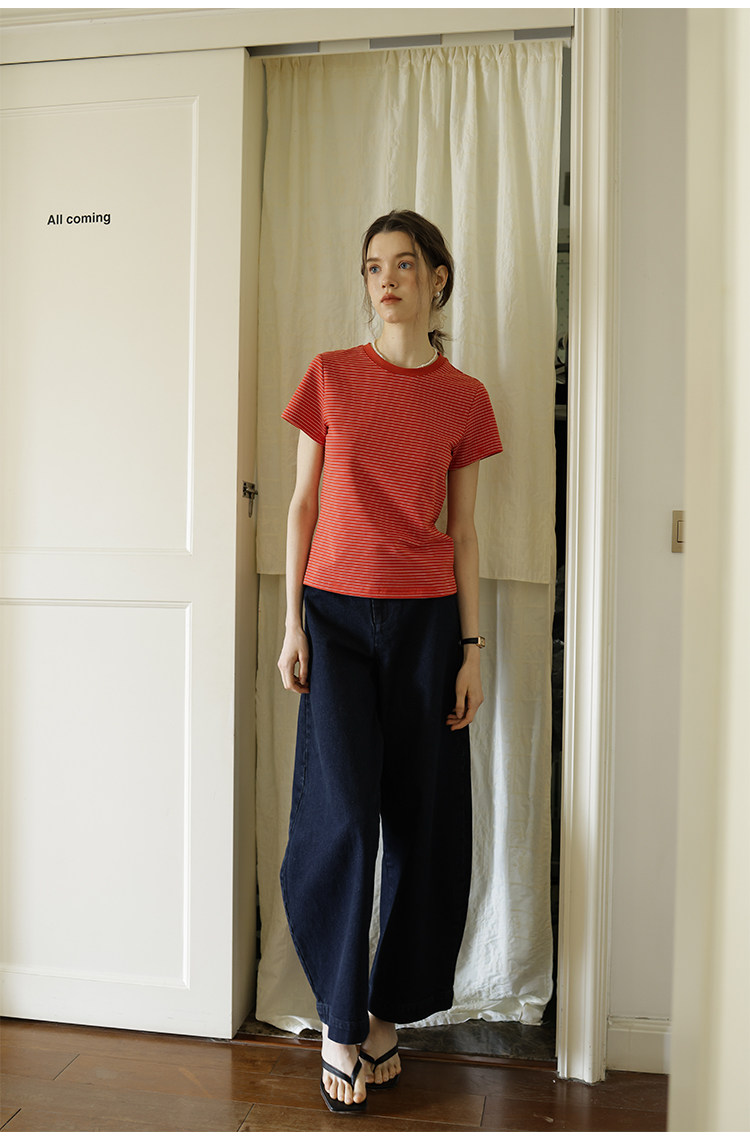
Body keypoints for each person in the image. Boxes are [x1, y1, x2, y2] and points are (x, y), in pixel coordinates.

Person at [277, 209, 503, 1115]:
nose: (387, 280)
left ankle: (383, 1013)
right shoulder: (330, 376)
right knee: (339, 819)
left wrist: (472, 649)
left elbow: (467, 531)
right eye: (374, 266)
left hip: (427, 625)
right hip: (333, 620)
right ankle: (338, 1019)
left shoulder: (466, 397)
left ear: (437, 278)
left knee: (424, 823)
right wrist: (291, 623)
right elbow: (301, 504)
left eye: (404, 264)